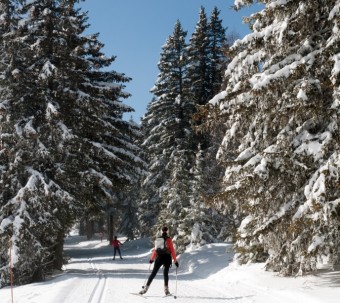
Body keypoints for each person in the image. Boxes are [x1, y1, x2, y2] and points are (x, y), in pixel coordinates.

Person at [139, 226, 179, 296]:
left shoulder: (158, 239)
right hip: (167, 258)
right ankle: (166, 290)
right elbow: (172, 250)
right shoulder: (169, 240)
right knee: (165, 274)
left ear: (161, 231)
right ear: (167, 231)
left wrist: (152, 259)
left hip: (159, 258)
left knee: (153, 273)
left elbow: (155, 250)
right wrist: (175, 261)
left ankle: (145, 288)